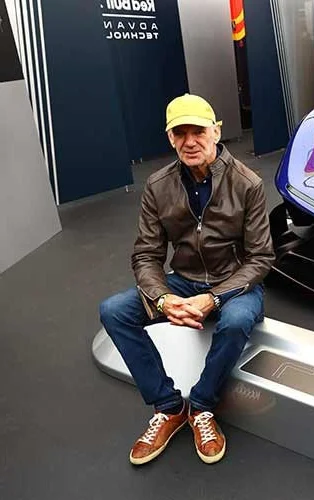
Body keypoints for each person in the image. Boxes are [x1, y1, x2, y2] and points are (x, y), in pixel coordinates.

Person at [99, 94, 275, 465]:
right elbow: (146, 255)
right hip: (183, 281)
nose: (190, 141)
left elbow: (260, 258)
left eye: (198, 131)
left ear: (216, 132)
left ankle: (202, 406)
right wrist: (164, 299)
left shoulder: (248, 184)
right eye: (180, 133)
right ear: (170, 137)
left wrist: (213, 298)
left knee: (237, 320)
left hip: (235, 284)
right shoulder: (158, 185)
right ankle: (168, 407)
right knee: (114, 311)